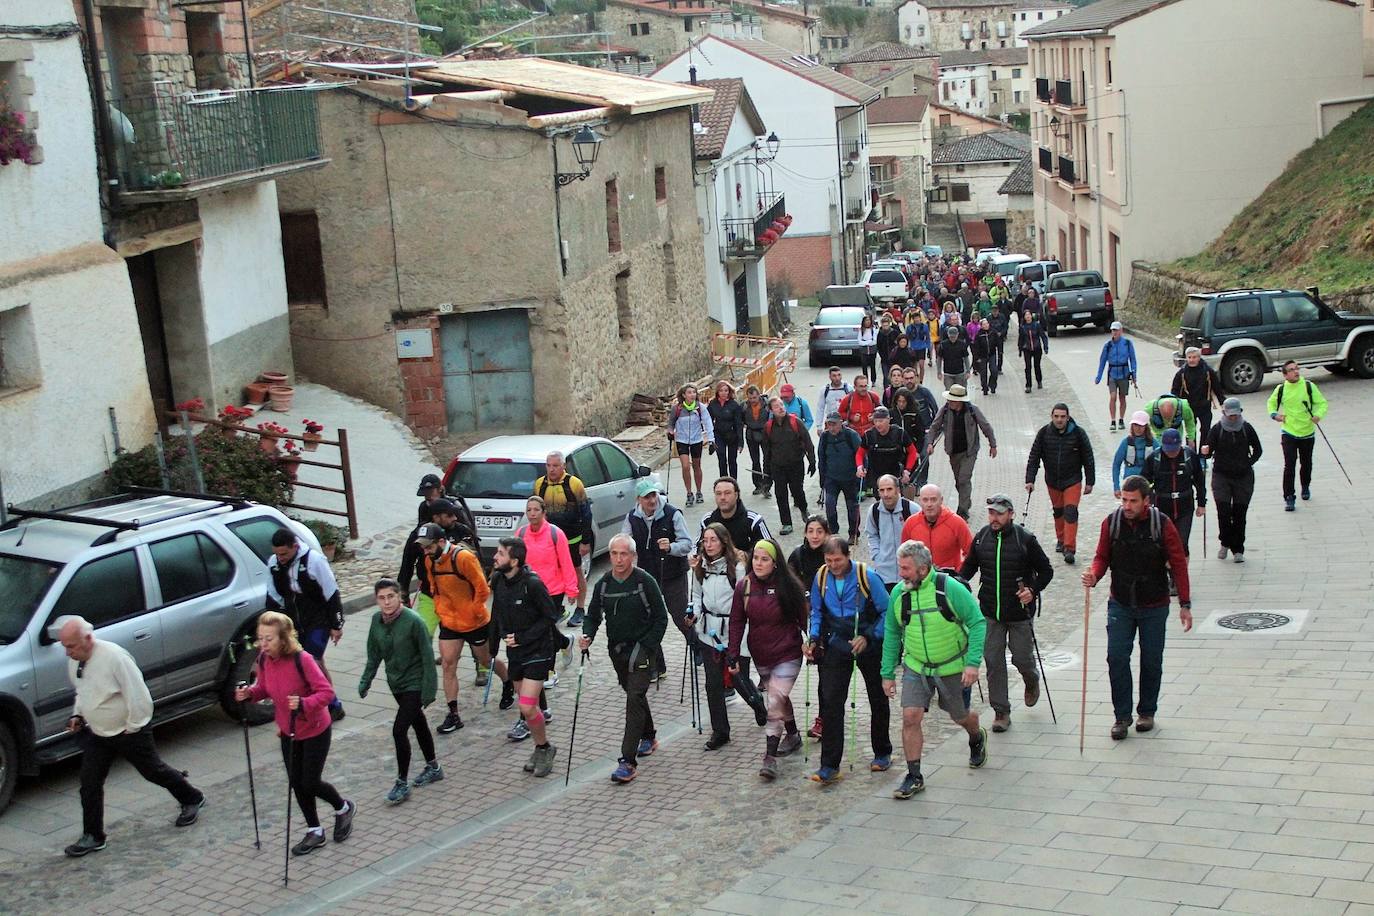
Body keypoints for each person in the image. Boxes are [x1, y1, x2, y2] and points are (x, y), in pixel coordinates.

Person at [58, 617, 204, 858]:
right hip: (97, 733)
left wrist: (134, 726)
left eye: (71, 646)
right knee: (89, 783)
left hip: (128, 730)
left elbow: (138, 694)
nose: (67, 652)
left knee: (153, 771)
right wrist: (78, 715)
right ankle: (93, 835)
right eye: (65, 646)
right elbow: (82, 692)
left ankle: (192, 797)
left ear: (87, 639)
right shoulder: (76, 662)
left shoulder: (115, 657)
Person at [1082, 476, 1193, 740]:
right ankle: (1121, 716)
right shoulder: (1111, 523)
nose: (1127, 506)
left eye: (1133, 501)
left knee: (1152, 659)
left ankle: (1147, 712)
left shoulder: (1162, 525)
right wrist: (1094, 576)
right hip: (1120, 602)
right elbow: (1102, 557)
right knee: (1116, 657)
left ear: (1146, 501)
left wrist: (1185, 604)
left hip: (1155, 604)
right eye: (1124, 500)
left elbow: (1178, 564)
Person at [236, 611, 354, 856]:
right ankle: (315, 830)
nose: (263, 644)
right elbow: (265, 688)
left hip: (314, 728)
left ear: (284, 638)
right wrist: (250, 694)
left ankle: (343, 808)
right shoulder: (265, 659)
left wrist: (303, 704)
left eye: (269, 639)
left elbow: (326, 693)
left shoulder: (303, 660)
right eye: (261, 638)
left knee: (310, 781)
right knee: (296, 783)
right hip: (288, 730)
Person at [881, 540, 988, 798]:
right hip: (916, 667)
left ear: (923, 568)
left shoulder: (949, 588)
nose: (901, 574)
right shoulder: (899, 594)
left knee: (960, 716)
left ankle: (976, 735)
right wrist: (887, 673)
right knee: (910, 717)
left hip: (952, 666)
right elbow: (892, 632)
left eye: (906, 569)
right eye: (900, 568)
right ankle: (914, 775)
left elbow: (977, 622)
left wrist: (972, 663)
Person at [958, 495, 1054, 733]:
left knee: (1021, 657)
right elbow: (968, 567)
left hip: (1020, 613)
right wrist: (957, 583)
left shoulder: (1026, 539)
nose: (994, 518)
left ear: (1010, 514)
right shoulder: (981, 538)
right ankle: (1001, 711)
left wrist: (1032, 590)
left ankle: (1031, 680)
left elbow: (1046, 570)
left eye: (999, 513)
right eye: (991, 512)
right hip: (990, 611)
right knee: (993, 661)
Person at [580, 535, 670, 784]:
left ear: (633, 556)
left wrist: (648, 646)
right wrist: (587, 635)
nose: (619, 559)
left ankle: (627, 761)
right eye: (614, 554)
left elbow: (662, 618)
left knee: (634, 698)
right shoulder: (604, 584)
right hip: (617, 651)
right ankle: (649, 736)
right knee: (634, 693)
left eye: (624, 554)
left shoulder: (645, 581)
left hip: (642, 650)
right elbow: (593, 615)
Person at [805, 536, 892, 783]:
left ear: (848, 555)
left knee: (878, 698)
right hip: (837, 643)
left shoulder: (868, 577)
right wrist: (813, 637)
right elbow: (817, 611)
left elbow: (888, 612)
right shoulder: (821, 577)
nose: (833, 565)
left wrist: (869, 635)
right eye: (829, 560)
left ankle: (882, 752)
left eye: (838, 560)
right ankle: (829, 765)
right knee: (831, 702)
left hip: (869, 643)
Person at [728, 539, 808, 781]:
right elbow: (736, 622)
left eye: (765, 559)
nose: (759, 563)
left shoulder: (788, 585)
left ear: (775, 563)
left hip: (788, 652)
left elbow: (804, 617)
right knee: (778, 696)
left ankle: (769, 757)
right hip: (761, 654)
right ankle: (792, 734)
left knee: (774, 700)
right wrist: (733, 653)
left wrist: (813, 643)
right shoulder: (745, 586)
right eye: (756, 558)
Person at [358, 580, 442, 804]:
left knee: (398, 730)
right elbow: (373, 653)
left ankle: (402, 782)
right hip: (396, 682)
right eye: (381, 598)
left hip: (415, 682)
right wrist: (366, 680)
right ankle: (433, 766)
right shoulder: (376, 621)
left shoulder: (414, 622)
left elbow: (427, 657)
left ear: (400, 597)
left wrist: (429, 689)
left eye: (390, 597)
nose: (386, 602)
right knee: (418, 722)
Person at [490, 537, 562, 777]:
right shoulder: (499, 580)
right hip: (516, 653)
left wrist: (523, 637)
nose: (495, 557)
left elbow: (549, 616)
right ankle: (541, 747)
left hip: (539, 651)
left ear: (515, 560)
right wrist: (497, 640)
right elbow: (497, 612)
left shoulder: (533, 584)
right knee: (528, 707)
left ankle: (544, 747)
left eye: (501, 553)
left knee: (526, 706)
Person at [414, 522, 494, 735]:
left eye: (428, 546)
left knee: (486, 661)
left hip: (474, 622)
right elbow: (433, 586)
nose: (425, 551)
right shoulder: (429, 560)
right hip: (450, 622)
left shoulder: (464, 558)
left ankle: (507, 683)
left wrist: (475, 610)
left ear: (441, 542)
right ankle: (453, 714)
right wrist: (441, 609)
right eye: (423, 547)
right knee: (448, 665)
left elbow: (482, 588)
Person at [266, 529, 346, 720]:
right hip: (293, 622)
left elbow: (331, 592)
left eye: (284, 554)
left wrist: (336, 623)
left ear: (295, 546)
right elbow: (272, 596)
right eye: (277, 554)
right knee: (303, 664)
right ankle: (317, 701)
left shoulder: (315, 561)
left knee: (314, 662)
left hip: (318, 619)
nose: (280, 558)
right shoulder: (274, 564)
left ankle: (333, 705)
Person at [686, 523, 746, 750]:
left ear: (723, 541)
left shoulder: (737, 568)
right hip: (708, 632)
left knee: (740, 678)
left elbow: (743, 602)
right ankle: (720, 731)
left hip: (732, 631)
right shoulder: (700, 567)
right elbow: (696, 595)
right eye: (705, 540)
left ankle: (759, 706)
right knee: (713, 683)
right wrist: (693, 612)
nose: (709, 545)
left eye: (713, 540)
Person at [1024, 403, 1096, 565]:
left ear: (1068, 417)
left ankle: (1069, 548)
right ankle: (1061, 539)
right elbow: (1034, 457)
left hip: (1073, 479)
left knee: (1070, 511)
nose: (1059, 419)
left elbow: (1088, 458)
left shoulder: (1078, 434)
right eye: (1056, 416)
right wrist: (1030, 479)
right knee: (1058, 511)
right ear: (1052, 417)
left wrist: (1090, 481)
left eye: (1063, 416)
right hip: (1052, 480)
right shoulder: (1044, 433)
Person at [398, 499, 475, 643]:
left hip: (458, 597)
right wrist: (403, 594)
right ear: (436, 517)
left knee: (474, 641)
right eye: (450, 515)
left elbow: (476, 565)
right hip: (430, 594)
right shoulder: (418, 536)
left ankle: (480, 664)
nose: (455, 518)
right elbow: (407, 565)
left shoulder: (462, 531)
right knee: (421, 637)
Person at [533, 450, 594, 627]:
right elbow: (538, 511)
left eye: (555, 466)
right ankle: (557, 608)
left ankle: (580, 609)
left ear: (563, 466)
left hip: (572, 538)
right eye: (548, 465)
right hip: (550, 540)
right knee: (552, 573)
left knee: (576, 573)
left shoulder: (574, 484)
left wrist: (585, 541)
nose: (551, 470)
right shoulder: (539, 484)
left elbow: (586, 514)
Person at [926, 385, 998, 520]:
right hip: (953, 451)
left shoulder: (972, 410)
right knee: (958, 480)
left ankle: (963, 510)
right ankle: (966, 500)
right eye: (950, 399)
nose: (950, 402)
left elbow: (986, 427)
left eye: (953, 400)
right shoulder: (945, 410)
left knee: (964, 479)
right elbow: (934, 426)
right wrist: (930, 443)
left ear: (960, 401)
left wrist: (992, 445)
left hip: (969, 451)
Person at [1203, 398, 1262, 562]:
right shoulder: (1217, 430)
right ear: (1224, 413)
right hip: (1221, 476)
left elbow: (1258, 450)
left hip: (1243, 478)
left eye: (1236, 415)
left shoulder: (1247, 428)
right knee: (1223, 511)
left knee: (1239, 513)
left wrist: (1247, 463)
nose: (1233, 418)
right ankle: (1225, 542)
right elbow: (1208, 451)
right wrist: (1205, 451)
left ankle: (1238, 549)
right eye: (1230, 416)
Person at [788, 516, 830, 739]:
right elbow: (787, 583)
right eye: (811, 531)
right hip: (806, 620)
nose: (814, 536)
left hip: (829, 622)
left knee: (826, 674)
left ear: (827, 534)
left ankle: (825, 718)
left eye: (819, 531)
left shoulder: (832, 554)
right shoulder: (797, 555)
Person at [1266, 360, 1328, 511]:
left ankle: (1305, 486)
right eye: (1292, 370)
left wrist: (1318, 415)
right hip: (1289, 432)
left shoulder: (1308, 386)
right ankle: (1289, 497)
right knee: (1289, 465)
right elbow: (1271, 403)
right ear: (1285, 375)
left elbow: (1322, 403)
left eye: (1297, 369)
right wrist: (1275, 415)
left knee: (1306, 463)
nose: (1296, 372)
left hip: (1307, 432)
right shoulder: (1281, 389)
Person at [1142, 429, 1206, 560]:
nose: (1171, 453)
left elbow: (1200, 481)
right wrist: (1145, 502)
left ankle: (1181, 577)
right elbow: (1143, 482)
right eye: (1168, 449)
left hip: (1185, 507)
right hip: (1162, 507)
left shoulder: (1189, 456)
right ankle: (1168, 575)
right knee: (1163, 544)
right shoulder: (1154, 458)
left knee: (1182, 544)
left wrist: (1201, 504)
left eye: (1174, 449)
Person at [762, 396, 817, 536]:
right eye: (776, 406)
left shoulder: (795, 422)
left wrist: (812, 461)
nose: (780, 408)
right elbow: (766, 451)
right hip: (777, 466)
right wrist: (767, 472)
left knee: (797, 490)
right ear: (771, 410)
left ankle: (804, 510)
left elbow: (807, 442)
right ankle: (786, 523)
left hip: (795, 464)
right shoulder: (768, 427)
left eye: (781, 404)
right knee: (780, 494)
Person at [900, 484, 973, 572]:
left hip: (948, 580)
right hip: (920, 579)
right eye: (925, 500)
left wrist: (959, 574)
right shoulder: (911, 523)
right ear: (920, 501)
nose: (929, 504)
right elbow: (905, 553)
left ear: (941, 500)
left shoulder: (957, 522)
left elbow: (971, 552)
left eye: (933, 499)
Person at [817, 412, 863, 541]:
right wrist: (822, 480)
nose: (831, 428)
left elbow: (861, 454)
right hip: (831, 479)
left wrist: (861, 476)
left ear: (841, 423)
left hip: (850, 478)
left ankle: (853, 534)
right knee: (830, 505)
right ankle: (833, 533)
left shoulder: (851, 435)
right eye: (829, 424)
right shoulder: (825, 437)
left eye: (834, 424)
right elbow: (821, 458)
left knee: (852, 507)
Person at [667, 384, 715, 507]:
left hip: (696, 440)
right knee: (685, 466)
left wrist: (711, 440)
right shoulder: (677, 408)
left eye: (694, 392)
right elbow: (671, 423)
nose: (692, 395)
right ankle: (689, 493)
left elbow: (708, 422)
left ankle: (699, 491)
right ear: (683, 395)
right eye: (689, 392)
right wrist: (670, 431)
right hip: (682, 440)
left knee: (697, 466)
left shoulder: (700, 407)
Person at [699, 476, 772, 555]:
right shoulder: (707, 520)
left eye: (727, 493)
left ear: (736, 495)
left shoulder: (753, 521)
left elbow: (770, 550)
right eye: (718, 494)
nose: (722, 497)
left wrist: (745, 557)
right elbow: (696, 549)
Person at [862, 475, 916, 583]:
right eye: (882, 490)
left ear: (897, 490)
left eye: (889, 489)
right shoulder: (874, 511)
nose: (886, 494)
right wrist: (877, 556)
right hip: (883, 575)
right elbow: (872, 535)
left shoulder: (911, 509)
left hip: (909, 575)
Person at [857, 407, 918, 502]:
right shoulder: (868, 435)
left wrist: (907, 470)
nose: (878, 424)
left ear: (889, 420)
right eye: (875, 421)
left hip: (895, 474)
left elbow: (912, 452)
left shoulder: (899, 433)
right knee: (881, 502)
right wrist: (859, 467)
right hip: (876, 476)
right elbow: (860, 453)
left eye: (881, 421)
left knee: (895, 501)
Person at [1171, 347, 1224, 441]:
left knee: (1206, 431)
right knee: (1191, 433)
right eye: (1189, 357)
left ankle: (1204, 453)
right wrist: (1175, 406)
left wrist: (1222, 402)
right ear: (1186, 358)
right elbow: (1175, 391)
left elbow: (1217, 388)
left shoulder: (1208, 371)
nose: (1192, 360)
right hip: (1189, 408)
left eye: (1194, 357)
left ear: (1199, 357)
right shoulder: (1181, 373)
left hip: (1205, 407)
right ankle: (1192, 453)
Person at [1095, 322, 1139, 431]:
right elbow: (1102, 361)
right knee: (1113, 396)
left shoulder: (1128, 343)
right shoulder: (1108, 345)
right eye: (1113, 330)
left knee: (1122, 397)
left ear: (1121, 331)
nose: (1114, 332)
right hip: (1112, 374)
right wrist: (1098, 376)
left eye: (1116, 330)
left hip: (1124, 374)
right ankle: (1113, 420)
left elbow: (1133, 360)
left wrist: (1134, 374)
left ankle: (1121, 419)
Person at [707, 380, 746, 483]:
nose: (724, 393)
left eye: (726, 390)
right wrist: (710, 439)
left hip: (732, 435)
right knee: (722, 458)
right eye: (721, 391)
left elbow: (739, 424)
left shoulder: (734, 405)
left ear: (729, 392)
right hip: (718, 434)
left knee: (732, 460)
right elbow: (708, 420)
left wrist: (741, 442)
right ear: (717, 392)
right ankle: (723, 482)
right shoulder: (713, 404)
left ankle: (733, 483)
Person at [1112, 410, 1155, 498]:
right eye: (1135, 425)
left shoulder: (1153, 443)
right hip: (1129, 485)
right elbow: (1116, 465)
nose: (1138, 428)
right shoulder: (1126, 443)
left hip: (1147, 485)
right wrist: (1116, 486)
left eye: (1141, 426)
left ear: (1146, 427)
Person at [742, 384, 772, 498]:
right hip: (751, 435)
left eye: (754, 398)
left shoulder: (767, 405)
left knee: (767, 460)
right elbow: (741, 421)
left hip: (765, 434)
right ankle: (758, 485)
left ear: (759, 395)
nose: (752, 400)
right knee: (755, 461)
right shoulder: (744, 406)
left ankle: (767, 486)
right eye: (750, 398)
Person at [1017, 308, 1048, 392]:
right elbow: (1020, 339)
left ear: (1031, 316)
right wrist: (1020, 349)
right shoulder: (1022, 327)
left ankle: (1039, 381)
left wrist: (1045, 347)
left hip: (1037, 348)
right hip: (1027, 348)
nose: (1028, 316)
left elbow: (1043, 336)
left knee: (1037, 365)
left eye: (1029, 315)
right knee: (1028, 367)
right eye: (1026, 315)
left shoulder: (1036, 325)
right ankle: (1028, 385)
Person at [815, 367, 851, 432]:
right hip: (830, 423)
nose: (837, 378)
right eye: (834, 376)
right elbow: (820, 408)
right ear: (830, 377)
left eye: (839, 375)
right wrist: (819, 426)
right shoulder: (825, 390)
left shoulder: (848, 388)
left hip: (845, 423)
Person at [971, 316, 999, 396]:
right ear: (981, 326)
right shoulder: (979, 335)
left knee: (994, 370)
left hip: (992, 354)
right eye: (984, 324)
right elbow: (975, 348)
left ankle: (992, 385)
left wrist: (1000, 352)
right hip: (982, 356)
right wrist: (977, 358)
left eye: (987, 324)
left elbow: (998, 342)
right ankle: (985, 387)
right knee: (983, 373)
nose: (986, 325)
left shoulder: (993, 332)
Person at [938, 324, 971, 390]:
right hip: (948, 373)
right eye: (951, 337)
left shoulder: (962, 344)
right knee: (949, 391)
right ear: (948, 335)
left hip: (960, 373)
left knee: (960, 392)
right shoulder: (943, 345)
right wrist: (939, 372)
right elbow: (939, 359)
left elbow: (966, 358)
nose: (952, 338)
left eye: (954, 336)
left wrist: (968, 371)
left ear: (957, 334)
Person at [858, 314, 879, 384]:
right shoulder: (861, 330)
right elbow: (860, 342)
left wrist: (867, 342)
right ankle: (865, 381)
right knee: (864, 366)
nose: (867, 322)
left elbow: (874, 341)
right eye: (866, 320)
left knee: (872, 366)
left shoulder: (873, 329)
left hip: (872, 350)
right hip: (864, 351)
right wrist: (868, 342)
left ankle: (873, 380)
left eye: (868, 320)